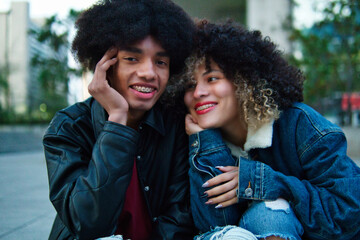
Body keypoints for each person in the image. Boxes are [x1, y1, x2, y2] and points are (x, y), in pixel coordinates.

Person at [173, 19, 360, 240]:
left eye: (212, 78)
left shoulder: (300, 125)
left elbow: (349, 212)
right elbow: (215, 227)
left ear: (244, 81)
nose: (198, 93)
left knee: (270, 214)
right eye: (189, 85)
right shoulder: (192, 139)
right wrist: (207, 144)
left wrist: (264, 183)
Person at [42, 0, 197, 239]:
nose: (148, 73)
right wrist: (117, 121)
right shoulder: (69, 127)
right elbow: (88, 223)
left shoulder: (175, 125)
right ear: (105, 66)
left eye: (161, 62)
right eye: (132, 59)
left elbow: (178, 219)